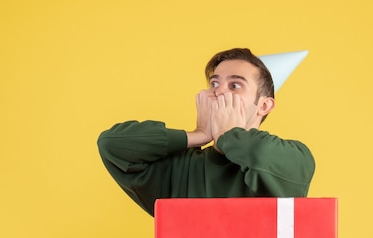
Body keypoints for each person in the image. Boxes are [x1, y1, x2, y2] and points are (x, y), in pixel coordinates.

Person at [97, 47, 315, 216]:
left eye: (235, 86)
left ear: (264, 106)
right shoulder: (181, 168)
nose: (218, 91)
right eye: (214, 83)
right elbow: (112, 144)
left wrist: (229, 135)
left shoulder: (295, 157)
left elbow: (265, 160)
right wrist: (198, 134)